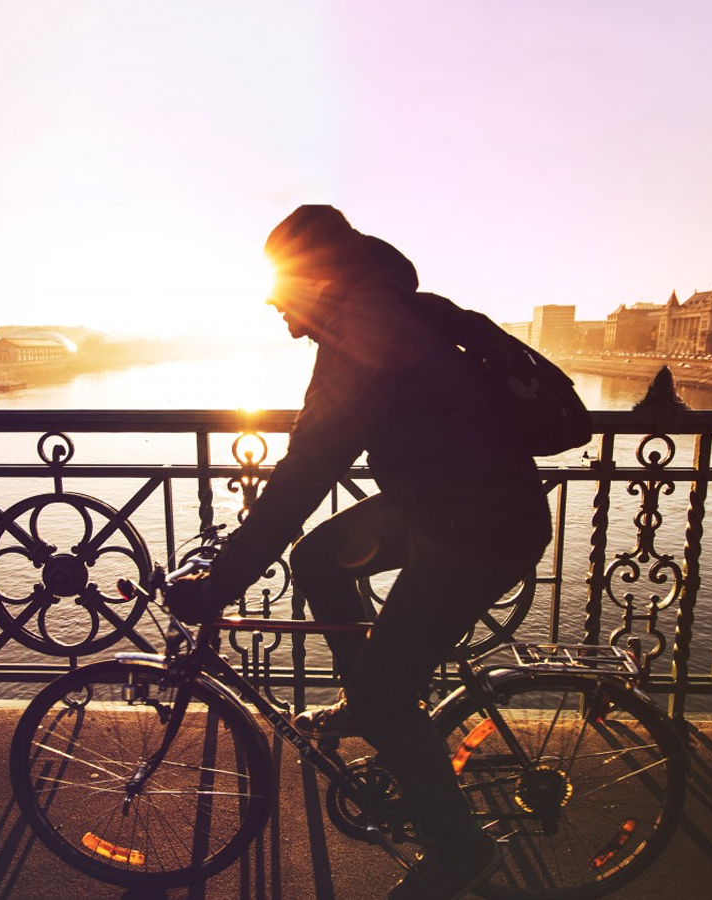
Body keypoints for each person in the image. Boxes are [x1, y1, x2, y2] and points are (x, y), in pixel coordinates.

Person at [165, 205, 551, 900]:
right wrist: (236, 556)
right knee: (317, 559)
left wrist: (217, 586)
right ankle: (369, 701)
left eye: (280, 296)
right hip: (446, 503)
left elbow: (306, 473)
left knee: (384, 694)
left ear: (315, 281)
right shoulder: (377, 308)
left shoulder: (366, 330)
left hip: (480, 528)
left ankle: (458, 850)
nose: (279, 316)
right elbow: (304, 473)